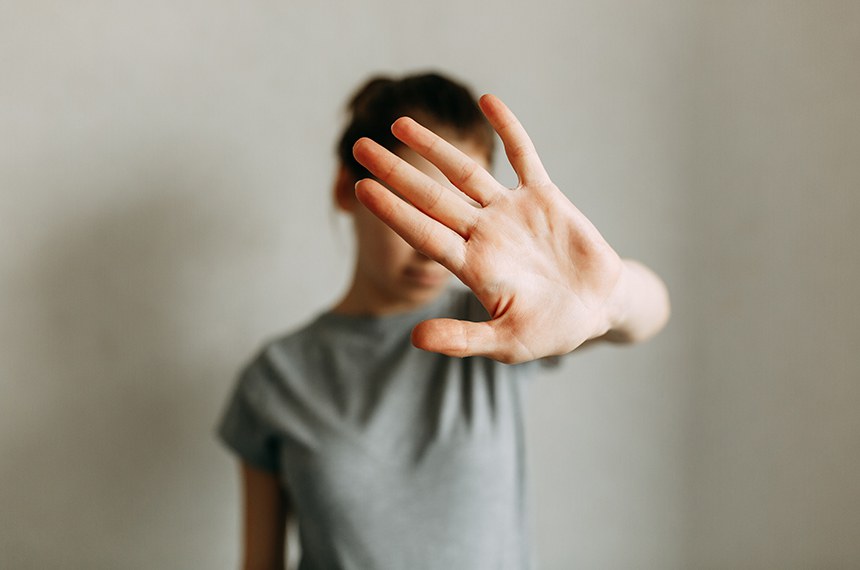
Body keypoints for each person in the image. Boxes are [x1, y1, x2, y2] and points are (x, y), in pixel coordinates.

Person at [217, 72, 670, 570]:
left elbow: (651, 313)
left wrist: (610, 297)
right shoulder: (276, 378)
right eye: (412, 205)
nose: (431, 247)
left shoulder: (496, 325)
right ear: (346, 189)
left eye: (461, 216)